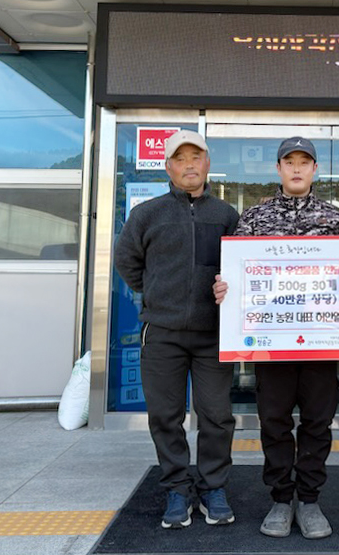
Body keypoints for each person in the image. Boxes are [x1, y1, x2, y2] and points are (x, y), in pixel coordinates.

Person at [213, 136, 339, 540]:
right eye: (290, 161)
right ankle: (282, 499)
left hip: (321, 340)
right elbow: (237, 274)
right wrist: (225, 288)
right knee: (274, 422)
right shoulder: (253, 218)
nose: (297, 168)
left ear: (315, 169)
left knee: (318, 422)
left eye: (305, 162)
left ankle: (310, 499)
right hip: (271, 342)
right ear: (279, 168)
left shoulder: (335, 219)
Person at [114, 130, 239, 529]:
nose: (189, 165)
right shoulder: (147, 214)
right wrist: (155, 293)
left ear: (207, 164)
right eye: (180, 159)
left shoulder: (227, 215)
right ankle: (177, 489)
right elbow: (127, 261)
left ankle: (213, 487)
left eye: (195, 157)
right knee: (166, 416)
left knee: (217, 416)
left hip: (212, 333)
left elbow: (240, 268)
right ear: (167, 167)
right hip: (162, 332)